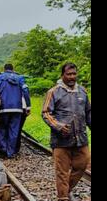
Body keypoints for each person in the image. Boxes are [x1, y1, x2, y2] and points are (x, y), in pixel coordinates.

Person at [42, 63, 91, 201]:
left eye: (74, 74)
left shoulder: (82, 91)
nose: (72, 77)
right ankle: (63, 197)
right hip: (61, 140)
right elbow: (46, 113)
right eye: (69, 74)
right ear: (62, 75)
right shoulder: (54, 92)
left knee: (83, 164)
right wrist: (58, 126)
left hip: (80, 138)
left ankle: (66, 189)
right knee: (62, 172)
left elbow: (88, 112)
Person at [0, 64, 30, 158]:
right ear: (13, 70)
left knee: (3, 128)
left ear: (4, 69)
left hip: (3, 108)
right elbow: (25, 91)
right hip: (17, 108)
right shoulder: (19, 78)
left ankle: (3, 150)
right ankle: (11, 152)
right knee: (14, 130)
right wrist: (28, 106)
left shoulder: (0, 77)